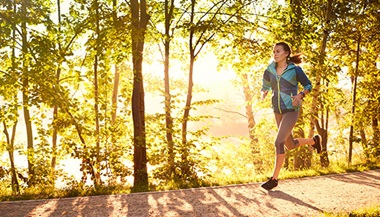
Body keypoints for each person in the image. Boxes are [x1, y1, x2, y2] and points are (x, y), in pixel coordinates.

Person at [260, 42, 322, 190]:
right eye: (274, 51)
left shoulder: (295, 70)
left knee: (279, 142)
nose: (275, 54)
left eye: (278, 51)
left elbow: (308, 85)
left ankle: (274, 179)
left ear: (286, 53)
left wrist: (300, 95)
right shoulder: (269, 70)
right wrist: (264, 91)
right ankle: (313, 141)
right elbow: (266, 84)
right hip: (277, 110)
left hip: (291, 110)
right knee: (290, 144)